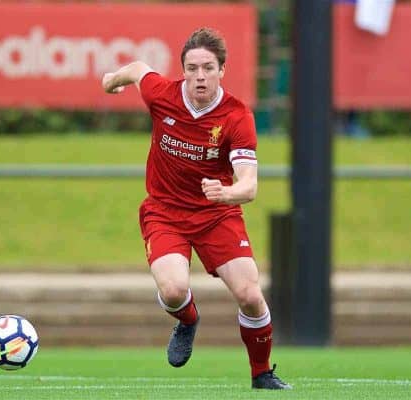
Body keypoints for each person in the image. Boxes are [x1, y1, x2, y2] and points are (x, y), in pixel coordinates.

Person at [102, 27, 291, 390]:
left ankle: (261, 373)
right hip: (165, 211)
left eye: (208, 68)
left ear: (222, 70)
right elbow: (140, 69)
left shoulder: (236, 116)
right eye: (192, 68)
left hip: (216, 214)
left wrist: (227, 193)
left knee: (251, 295)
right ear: (183, 70)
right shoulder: (163, 95)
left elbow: (249, 185)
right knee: (173, 291)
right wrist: (112, 80)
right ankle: (188, 320)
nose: (199, 76)